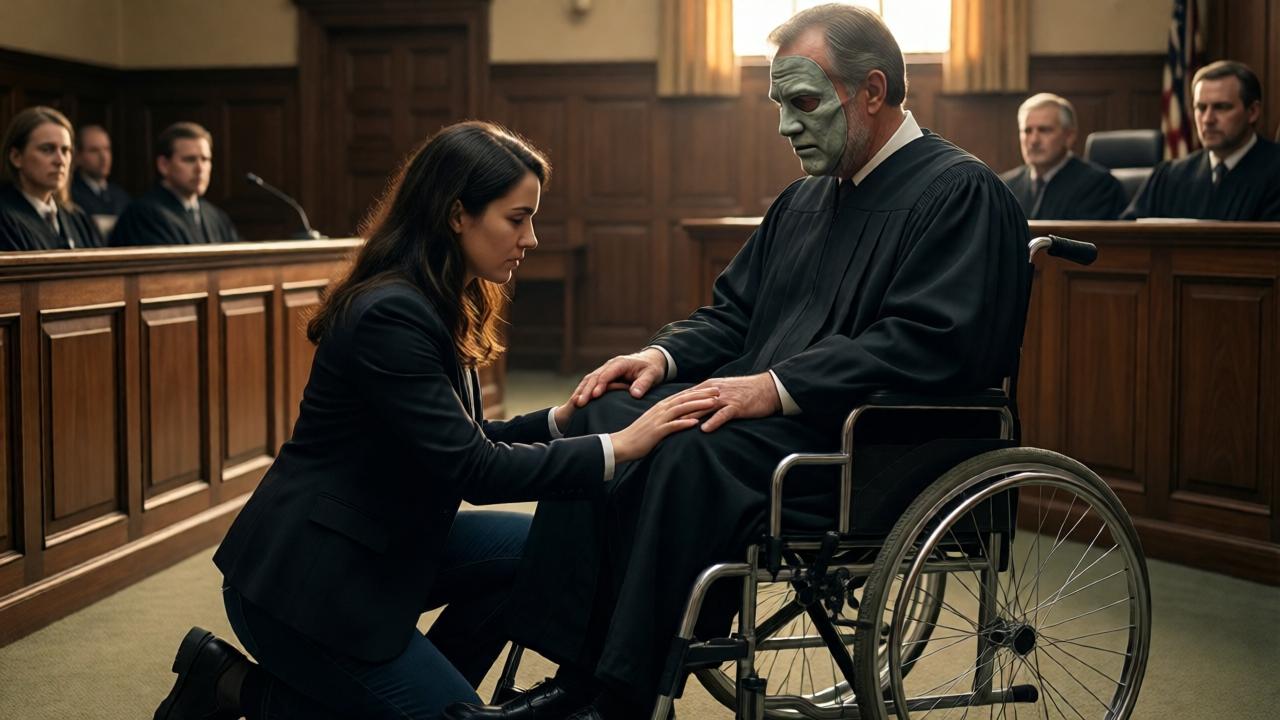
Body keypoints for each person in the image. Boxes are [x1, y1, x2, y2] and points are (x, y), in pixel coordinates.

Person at [446, 5, 1030, 720]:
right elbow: (732, 316)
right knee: (608, 410)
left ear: (873, 92)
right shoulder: (806, 202)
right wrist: (658, 357)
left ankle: (620, 694)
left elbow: (931, 343)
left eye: (805, 103)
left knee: (687, 449)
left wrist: (777, 386)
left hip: (864, 440)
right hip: (775, 423)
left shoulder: (960, 193)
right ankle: (574, 667)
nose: (786, 126)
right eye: (779, 105)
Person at [151, 121, 718, 720]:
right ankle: (228, 684)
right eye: (516, 218)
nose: (532, 238)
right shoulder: (391, 313)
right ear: (456, 215)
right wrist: (618, 446)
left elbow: (459, 440)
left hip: (381, 542)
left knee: (540, 552)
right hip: (308, 583)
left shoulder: (442, 293)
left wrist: (559, 419)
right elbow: (472, 468)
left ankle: (428, 699)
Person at [1124, 60, 1280, 221]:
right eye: (1201, 107)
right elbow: (1124, 236)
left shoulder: (1275, 172)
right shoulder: (1170, 177)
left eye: (1221, 107)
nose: (1207, 119)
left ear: (1253, 111)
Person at [1000, 93, 1127, 220]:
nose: (1034, 140)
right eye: (1027, 131)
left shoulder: (1100, 186)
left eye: (1044, 130)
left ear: (1069, 136)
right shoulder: (1004, 187)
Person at [112, 121, 240, 245]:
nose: (200, 169)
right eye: (190, 159)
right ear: (164, 165)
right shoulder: (143, 216)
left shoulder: (215, 216)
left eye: (205, 159)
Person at [0, 106, 104, 250]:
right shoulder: (5, 219)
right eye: (47, 149)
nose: (60, 160)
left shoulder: (77, 218)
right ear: (16, 157)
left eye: (65, 150)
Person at [70, 124, 131, 237]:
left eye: (107, 149)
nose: (104, 157)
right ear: (78, 156)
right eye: (94, 150)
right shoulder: (70, 196)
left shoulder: (120, 195)